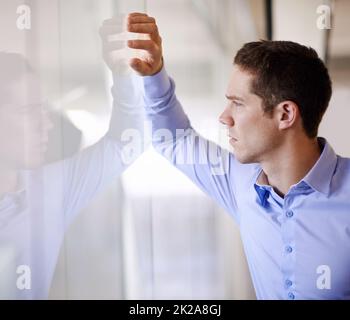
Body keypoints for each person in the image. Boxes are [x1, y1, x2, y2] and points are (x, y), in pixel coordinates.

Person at [125, 12, 350, 300]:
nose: (224, 117)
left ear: (285, 114)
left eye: (238, 104)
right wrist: (154, 74)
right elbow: (175, 140)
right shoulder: (240, 184)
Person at [0, 15, 145, 299]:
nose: (47, 124)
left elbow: (126, 144)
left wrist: (124, 74)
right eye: (29, 111)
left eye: (43, 109)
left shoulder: (51, 190)